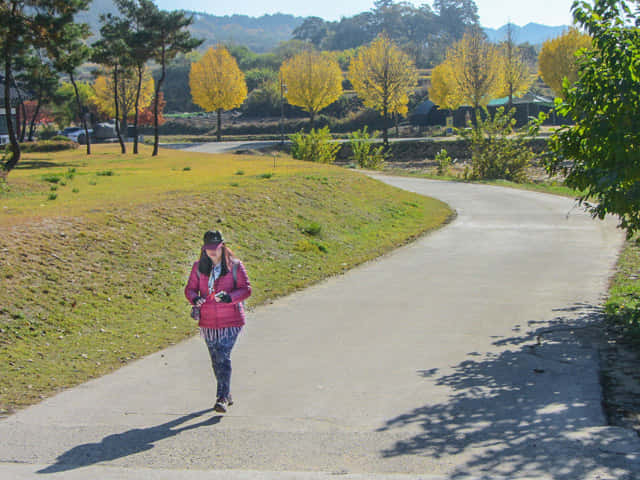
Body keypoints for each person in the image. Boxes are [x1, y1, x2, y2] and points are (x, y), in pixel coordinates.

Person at [184, 230, 252, 413]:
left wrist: (230, 298)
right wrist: (194, 299)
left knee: (223, 356)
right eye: (208, 249)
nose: (212, 252)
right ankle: (227, 392)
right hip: (207, 321)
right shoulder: (198, 267)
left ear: (222, 246)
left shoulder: (235, 266)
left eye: (216, 248)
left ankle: (221, 398)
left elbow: (246, 289)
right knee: (216, 360)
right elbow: (190, 289)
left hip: (231, 321)